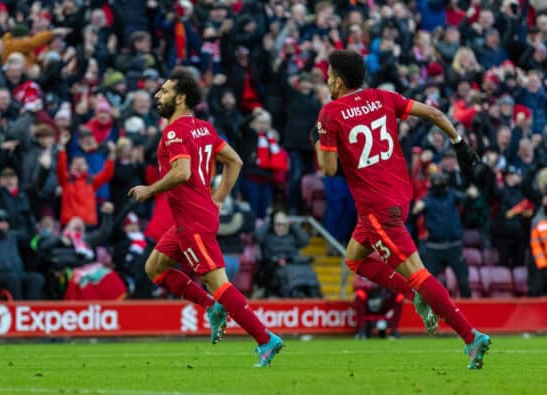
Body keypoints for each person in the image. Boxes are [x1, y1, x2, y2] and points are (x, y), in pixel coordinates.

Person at [313, 50, 490, 369]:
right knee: (354, 259)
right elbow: (435, 114)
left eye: (328, 77)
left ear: (339, 80)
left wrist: (319, 138)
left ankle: (470, 335)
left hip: (377, 208)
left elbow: (327, 168)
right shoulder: (383, 97)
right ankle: (417, 295)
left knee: (418, 273)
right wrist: (460, 144)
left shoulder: (331, 113)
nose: (326, 82)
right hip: (399, 198)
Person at [128, 67, 282, 367]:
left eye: (165, 91)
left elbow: (182, 172)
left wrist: (149, 190)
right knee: (154, 268)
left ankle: (265, 339)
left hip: (193, 221)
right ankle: (211, 307)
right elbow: (234, 161)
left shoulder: (173, 132)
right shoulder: (204, 128)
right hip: (196, 215)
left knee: (219, 283)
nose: (158, 95)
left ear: (181, 98)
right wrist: (219, 199)